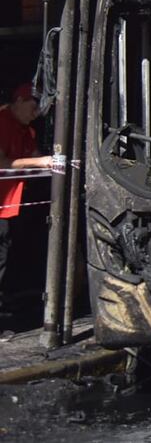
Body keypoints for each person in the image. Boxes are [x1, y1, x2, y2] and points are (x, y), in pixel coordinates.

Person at [1, 84, 54, 319]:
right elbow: (2, 164)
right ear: (19, 101)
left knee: (6, 251)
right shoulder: (1, 122)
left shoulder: (28, 130)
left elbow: (34, 156)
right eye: (32, 108)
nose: (35, 115)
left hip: (11, 204)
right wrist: (42, 162)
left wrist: (50, 161)